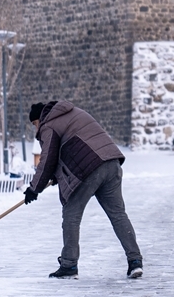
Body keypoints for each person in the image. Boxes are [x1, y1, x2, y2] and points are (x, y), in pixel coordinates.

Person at [24, 100, 143, 279]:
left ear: (39, 118)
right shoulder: (72, 112)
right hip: (111, 162)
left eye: (34, 124)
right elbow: (71, 148)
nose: (36, 129)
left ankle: (69, 265)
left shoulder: (49, 124)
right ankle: (135, 261)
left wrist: (34, 189)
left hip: (89, 168)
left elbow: (48, 159)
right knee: (118, 214)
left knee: (71, 215)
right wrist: (57, 177)